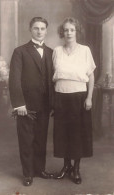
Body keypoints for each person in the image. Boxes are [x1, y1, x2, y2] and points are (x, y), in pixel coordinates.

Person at [9, 17, 54, 186]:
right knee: (26, 139)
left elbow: (53, 80)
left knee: (41, 139)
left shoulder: (50, 52)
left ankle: (39, 169)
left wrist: (53, 103)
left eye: (43, 28)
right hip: (26, 106)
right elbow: (14, 80)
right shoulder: (20, 51)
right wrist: (19, 104)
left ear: (46, 30)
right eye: (36, 28)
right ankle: (28, 174)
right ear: (30, 29)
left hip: (44, 105)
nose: (39, 31)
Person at [52, 17, 96, 184]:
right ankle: (66, 166)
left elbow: (90, 76)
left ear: (77, 32)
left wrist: (89, 97)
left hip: (79, 97)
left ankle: (76, 168)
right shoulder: (56, 51)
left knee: (77, 134)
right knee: (62, 133)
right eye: (66, 30)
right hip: (61, 97)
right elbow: (52, 77)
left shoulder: (85, 50)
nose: (68, 33)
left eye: (72, 30)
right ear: (61, 32)